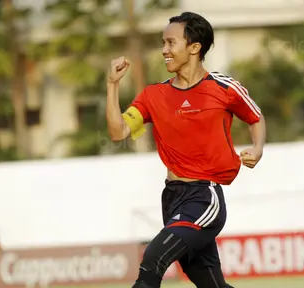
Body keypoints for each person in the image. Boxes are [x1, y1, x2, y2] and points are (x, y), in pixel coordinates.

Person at [106, 11, 266, 288]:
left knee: (153, 259)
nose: (164, 50)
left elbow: (255, 116)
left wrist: (257, 148)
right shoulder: (153, 95)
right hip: (172, 198)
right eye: (163, 43)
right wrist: (112, 84)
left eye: (171, 43)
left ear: (194, 48)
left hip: (204, 198)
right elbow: (118, 130)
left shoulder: (222, 87)